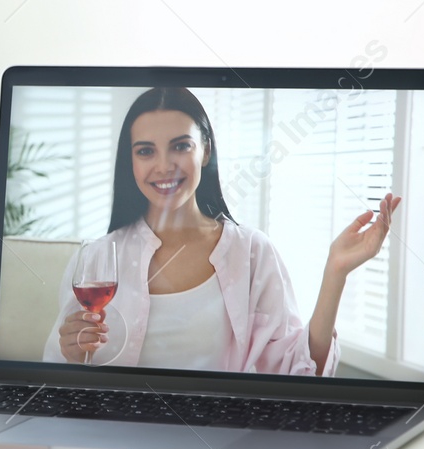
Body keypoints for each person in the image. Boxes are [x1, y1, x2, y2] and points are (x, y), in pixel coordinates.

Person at [43, 87, 399, 375]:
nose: (164, 166)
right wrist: (72, 355)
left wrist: (335, 272)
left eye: (181, 146)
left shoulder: (252, 253)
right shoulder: (96, 259)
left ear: (206, 150)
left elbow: (297, 372)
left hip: (218, 438)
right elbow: (56, 376)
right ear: (131, 161)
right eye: (146, 151)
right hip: (113, 435)